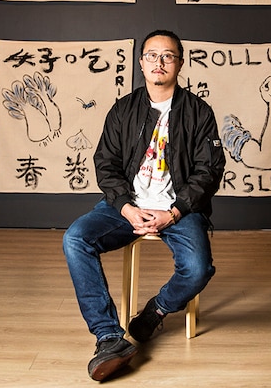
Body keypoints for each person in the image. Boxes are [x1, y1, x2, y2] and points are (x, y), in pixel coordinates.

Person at [63, 29, 226, 381]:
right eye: (152, 55)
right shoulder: (124, 108)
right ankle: (108, 338)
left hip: (179, 209)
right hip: (128, 206)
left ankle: (156, 310)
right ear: (141, 63)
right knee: (76, 239)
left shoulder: (199, 112)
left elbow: (209, 170)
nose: (159, 62)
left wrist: (176, 211)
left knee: (198, 269)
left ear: (180, 63)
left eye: (168, 55)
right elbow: (105, 163)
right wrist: (124, 207)